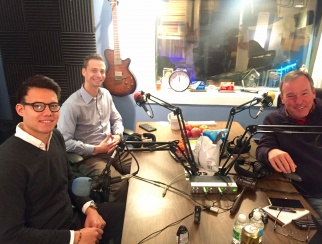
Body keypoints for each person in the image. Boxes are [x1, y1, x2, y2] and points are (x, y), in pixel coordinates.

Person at [0, 75, 125, 243]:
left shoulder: (55, 136)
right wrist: (76, 237)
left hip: (74, 220)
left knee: (133, 216)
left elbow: (69, 181)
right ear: (20, 109)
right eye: (37, 106)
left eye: (53, 106)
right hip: (52, 237)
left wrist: (90, 209)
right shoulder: (7, 162)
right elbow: (11, 236)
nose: (47, 113)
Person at [57, 53, 131, 203]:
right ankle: (120, 220)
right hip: (90, 157)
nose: (99, 75)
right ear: (83, 72)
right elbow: (64, 142)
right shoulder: (71, 105)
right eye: (94, 70)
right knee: (120, 185)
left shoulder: (106, 94)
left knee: (144, 169)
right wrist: (96, 149)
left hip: (113, 149)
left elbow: (116, 118)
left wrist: (118, 135)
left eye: (102, 71)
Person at [256, 70, 322, 217]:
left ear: (313, 93)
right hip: (292, 191)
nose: (298, 101)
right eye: (291, 96)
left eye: (304, 93)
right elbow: (262, 148)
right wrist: (270, 152)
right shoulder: (273, 120)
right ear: (283, 98)